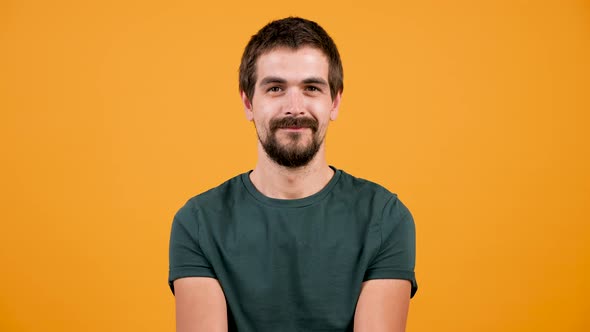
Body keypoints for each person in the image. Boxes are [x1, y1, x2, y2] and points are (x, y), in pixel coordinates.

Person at [168, 17, 418, 332]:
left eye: (311, 88)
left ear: (335, 101)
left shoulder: (385, 218)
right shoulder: (198, 222)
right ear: (248, 102)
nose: (294, 107)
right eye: (275, 88)